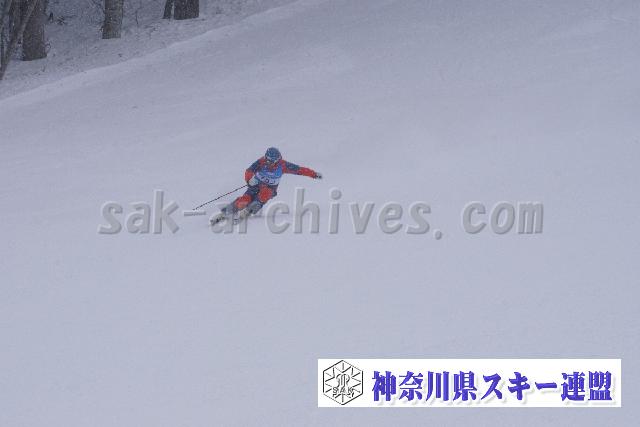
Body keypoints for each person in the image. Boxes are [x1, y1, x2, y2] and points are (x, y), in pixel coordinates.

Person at [213, 147, 322, 223]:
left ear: (277, 160)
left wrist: (313, 174)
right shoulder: (261, 162)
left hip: (269, 189)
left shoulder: (283, 165)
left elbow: (299, 170)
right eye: (267, 160)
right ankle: (225, 213)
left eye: (271, 162)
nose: (268, 163)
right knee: (245, 199)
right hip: (255, 185)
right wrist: (249, 180)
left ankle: (248, 211)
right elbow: (249, 171)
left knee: (264, 194)